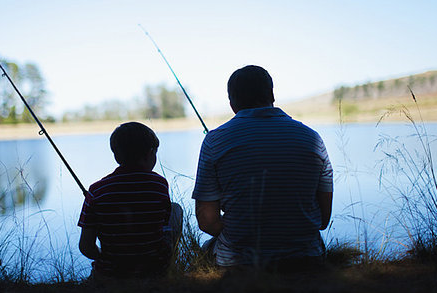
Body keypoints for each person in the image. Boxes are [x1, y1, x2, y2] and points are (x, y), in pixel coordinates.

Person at [192, 65, 333, 270]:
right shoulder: (312, 139)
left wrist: (242, 230)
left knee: (206, 249)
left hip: (239, 263)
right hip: (306, 258)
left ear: (232, 104)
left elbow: (207, 222)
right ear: (272, 95)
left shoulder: (214, 141)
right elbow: (322, 220)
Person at [78, 122, 183, 278]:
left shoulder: (96, 191)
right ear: (150, 153)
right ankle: (168, 266)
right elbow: (164, 222)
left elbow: (86, 247)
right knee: (175, 209)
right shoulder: (159, 184)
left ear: (116, 155)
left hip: (111, 273)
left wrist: (103, 257)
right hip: (154, 269)